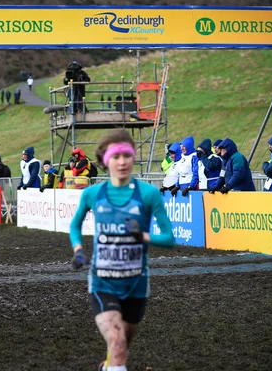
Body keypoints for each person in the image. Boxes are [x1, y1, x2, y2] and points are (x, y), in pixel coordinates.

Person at [68, 129, 174, 371]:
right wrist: (78, 249)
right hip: (103, 282)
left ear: (133, 157)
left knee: (121, 345)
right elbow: (75, 225)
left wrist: (143, 236)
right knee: (117, 344)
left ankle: (109, 367)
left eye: (127, 155)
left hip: (136, 284)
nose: (122, 162)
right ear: (106, 161)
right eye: (116, 157)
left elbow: (169, 238)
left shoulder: (148, 194)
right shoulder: (93, 194)